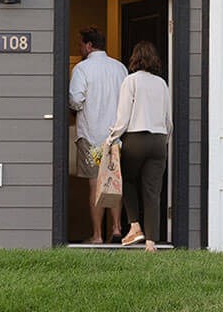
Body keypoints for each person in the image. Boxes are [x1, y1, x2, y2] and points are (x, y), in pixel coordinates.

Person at [108, 39, 172, 252]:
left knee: (126, 180)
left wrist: (111, 139)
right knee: (153, 192)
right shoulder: (162, 83)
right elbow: (168, 119)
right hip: (158, 140)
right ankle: (151, 243)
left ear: (135, 58)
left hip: (135, 138)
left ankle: (135, 226)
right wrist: (165, 141)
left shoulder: (131, 81)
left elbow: (123, 116)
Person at [68, 27, 128, 244]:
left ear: (89, 45)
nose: (79, 48)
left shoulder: (82, 69)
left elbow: (75, 99)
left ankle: (97, 235)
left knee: (95, 184)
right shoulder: (120, 68)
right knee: (113, 181)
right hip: (115, 137)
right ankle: (117, 228)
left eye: (80, 44)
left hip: (91, 135)